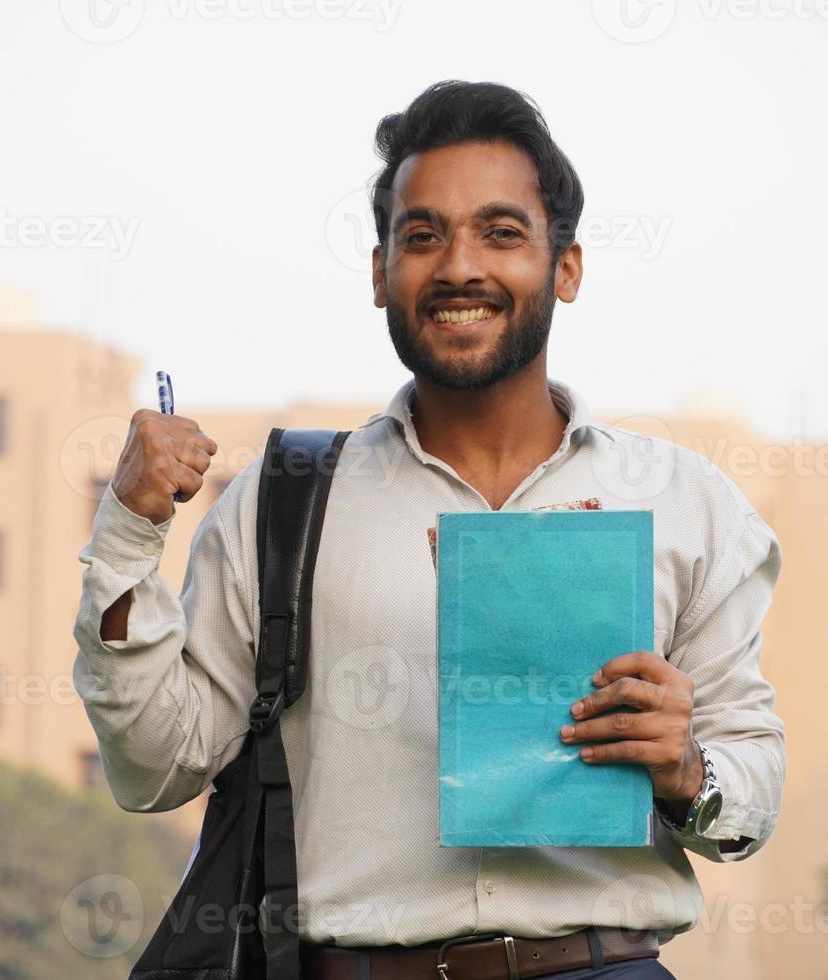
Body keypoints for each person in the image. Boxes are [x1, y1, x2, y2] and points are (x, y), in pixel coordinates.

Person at [73, 79, 785, 980]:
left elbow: (748, 802)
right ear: (380, 273)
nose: (458, 267)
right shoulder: (284, 501)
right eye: (422, 236)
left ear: (566, 266)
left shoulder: (684, 502)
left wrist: (686, 769)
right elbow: (155, 771)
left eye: (501, 232)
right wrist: (131, 534)